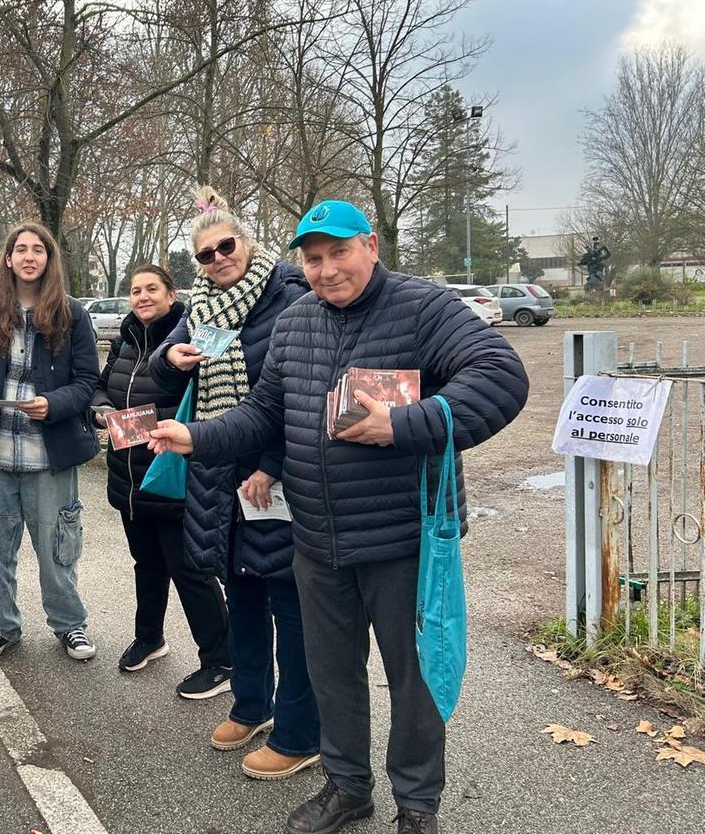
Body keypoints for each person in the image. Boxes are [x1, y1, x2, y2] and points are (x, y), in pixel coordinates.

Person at [149, 200, 529, 834]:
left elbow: (501, 374)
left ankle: (417, 806)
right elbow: (266, 413)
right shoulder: (297, 322)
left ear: (371, 246)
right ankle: (348, 786)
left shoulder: (422, 307)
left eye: (338, 253)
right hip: (316, 538)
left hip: (401, 538)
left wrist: (408, 423)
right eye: (313, 258)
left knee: (412, 678)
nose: (325, 270)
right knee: (332, 671)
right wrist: (197, 436)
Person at [147, 187, 320, 779]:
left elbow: (306, 394)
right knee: (242, 591)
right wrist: (172, 362)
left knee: (291, 602)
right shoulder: (199, 309)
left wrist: (272, 463)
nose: (218, 258)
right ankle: (252, 704)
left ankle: (303, 730)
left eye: (227, 246)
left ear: (248, 243)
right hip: (217, 474)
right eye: (205, 253)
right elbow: (156, 372)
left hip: (277, 473)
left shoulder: (292, 296)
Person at [0, 221, 100, 662]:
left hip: (49, 456)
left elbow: (88, 380)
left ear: (49, 260)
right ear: (9, 258)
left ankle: (69, 625)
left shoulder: (72, 313)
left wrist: (52, 404)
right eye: (21, 249)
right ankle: (1, 627)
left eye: (39, 249)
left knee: (58, 549)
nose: (30, 256)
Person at [90, 263, 231, 698]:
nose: (142, 296)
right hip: (128, 478)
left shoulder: (189, 339)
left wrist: (148, 424)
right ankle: (150, 637)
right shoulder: (123, 341)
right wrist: (101, 410)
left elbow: (205, 404)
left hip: (172, 475)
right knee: (146, 564)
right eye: (135, 290)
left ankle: (221, 659)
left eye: (152, 289)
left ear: (172, 295)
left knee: (189, 570)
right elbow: (100, 388)